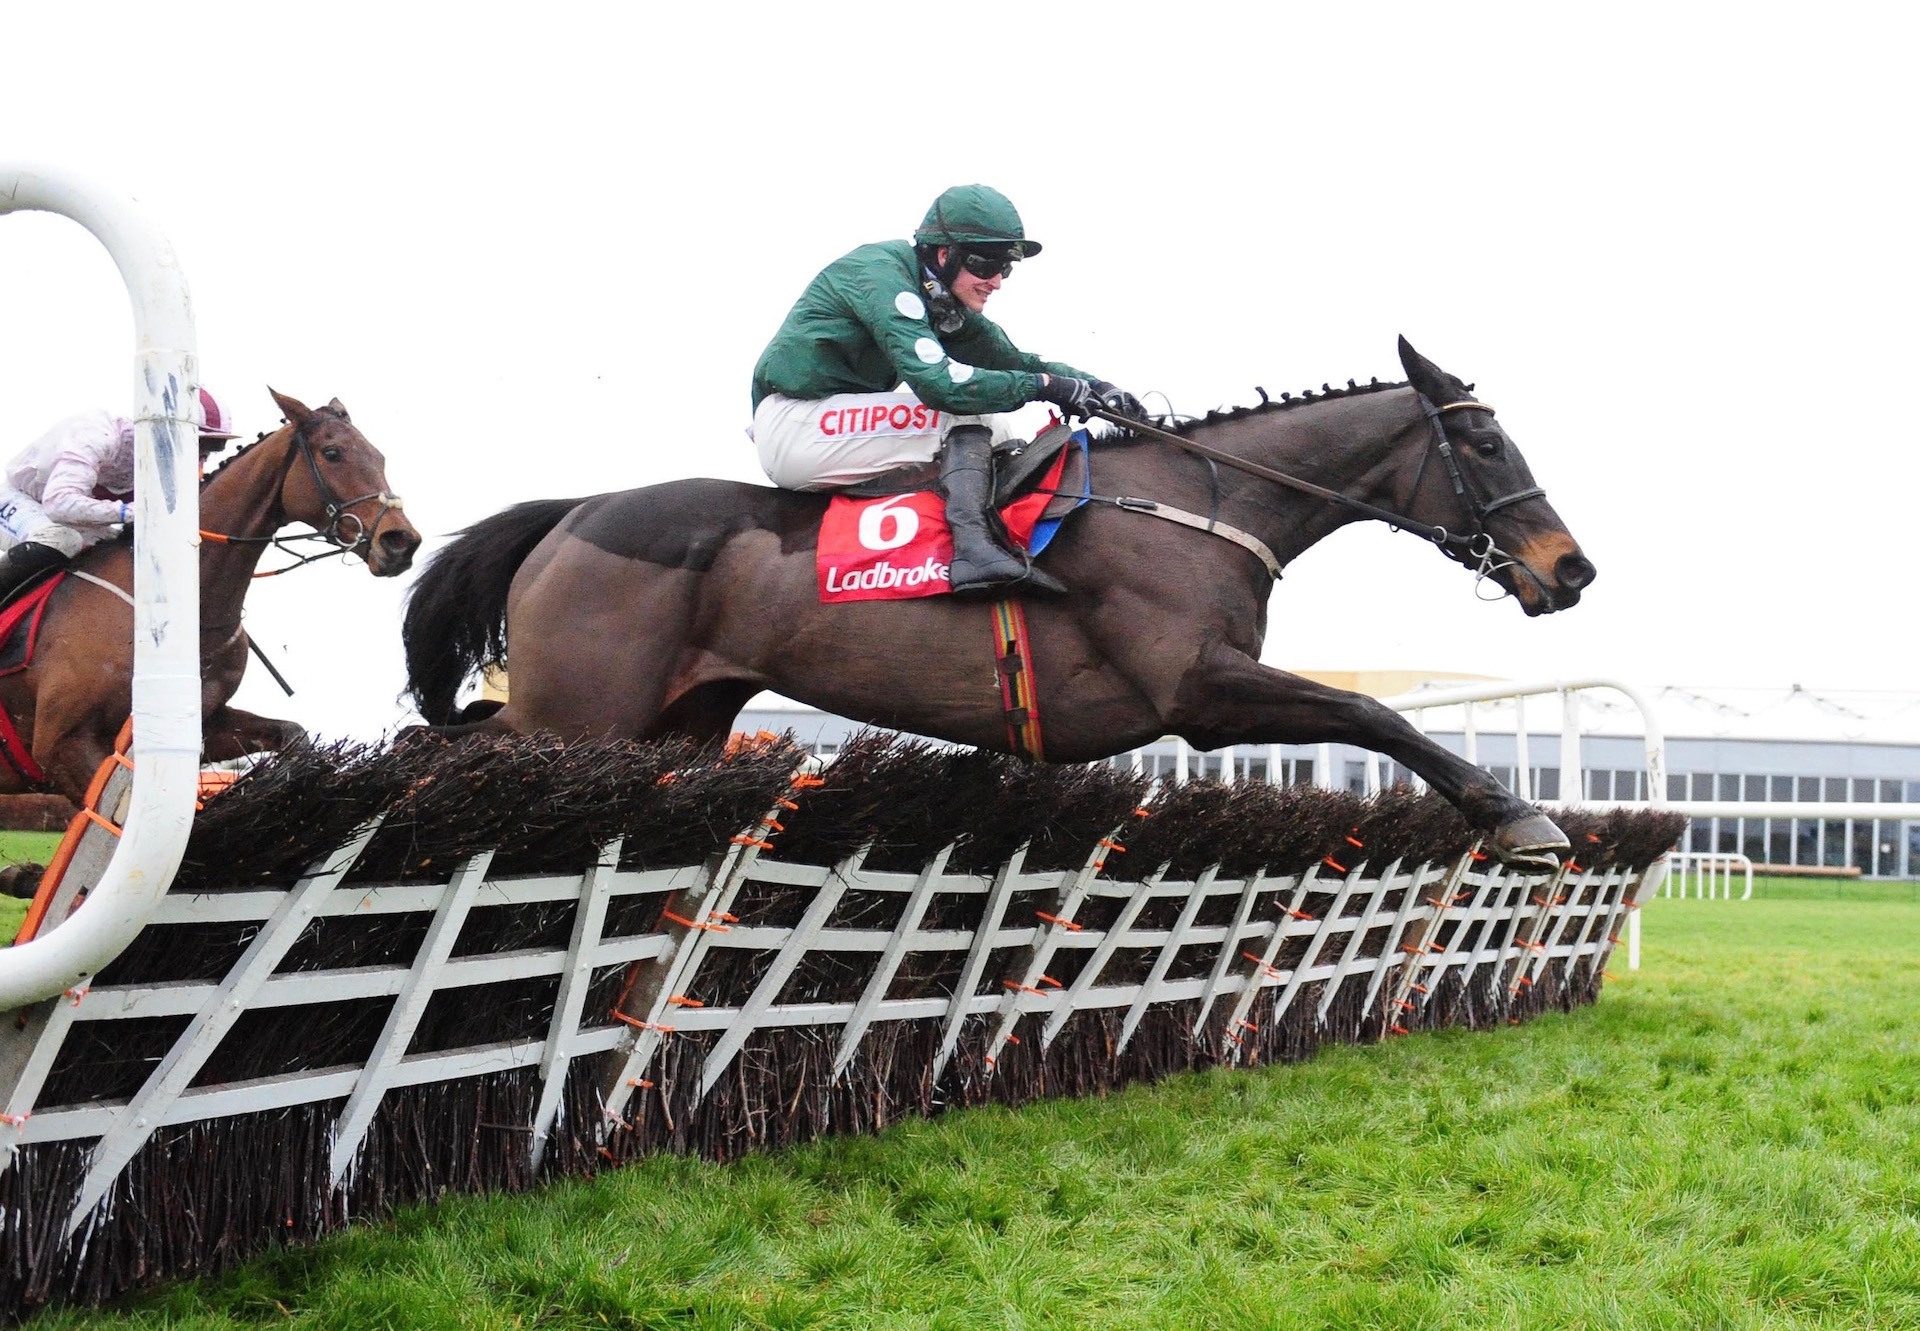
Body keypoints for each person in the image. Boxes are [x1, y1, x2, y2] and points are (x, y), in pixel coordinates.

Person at [750, 184, 1142, 594]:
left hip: (830, 426)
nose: (996, 281)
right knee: (973, 414)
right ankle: (974, 551)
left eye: (1005, 269)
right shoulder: (881, 275)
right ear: (944, 254)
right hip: (796, 426)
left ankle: (981, 542)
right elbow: (943, 386)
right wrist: (1047, 387)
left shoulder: (938, 296)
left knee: (999, 431)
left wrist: (1094, 386)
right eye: (986, 264)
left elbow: (1018, 362)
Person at [0, 387, 242, 596]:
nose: (202, 457)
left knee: (123, 558)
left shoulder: (176, 471)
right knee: (61, 539)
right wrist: (132, 512)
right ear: (161, 433)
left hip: (75, 521)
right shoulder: (96, 434)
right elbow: (59, 504)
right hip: (20, 500)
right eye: (197, 444)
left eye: (213, 447)